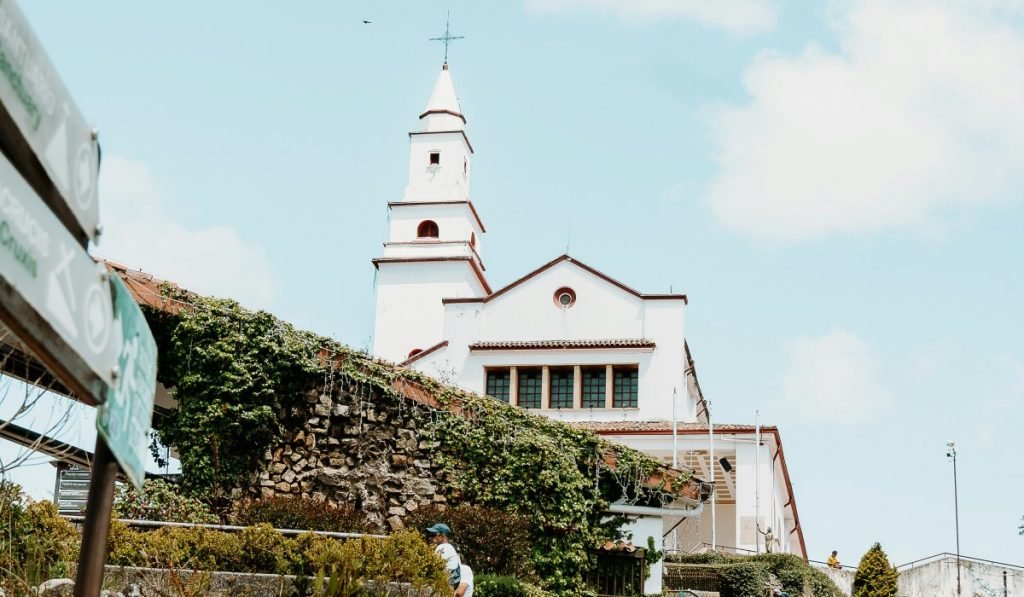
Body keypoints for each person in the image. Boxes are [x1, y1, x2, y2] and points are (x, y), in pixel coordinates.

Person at [426, 523, 462, 590]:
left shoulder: (443, 547)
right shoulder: (450, 547)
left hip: (446, 585)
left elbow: (433, 566)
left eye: (433, 535)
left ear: (442, 536)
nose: (430, 538)